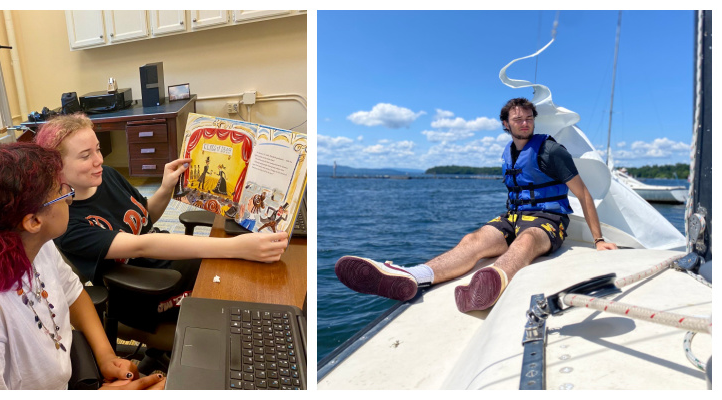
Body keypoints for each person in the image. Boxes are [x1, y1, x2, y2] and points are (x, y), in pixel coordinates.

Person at [35, 114, 288, 370]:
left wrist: (166, 187)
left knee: (248, 278)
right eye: (85, 155)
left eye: (98, 149)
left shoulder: (107, 176)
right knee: (239, 298)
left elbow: (144, 218)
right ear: (55, 167)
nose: (99, 160)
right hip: (142, 291)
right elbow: (142, 244)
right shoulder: (68, 223)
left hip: (165, 265)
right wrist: (238, 247)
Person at [335, 98, 617, 312]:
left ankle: (495, 279)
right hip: (515, 216)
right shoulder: (508, 153)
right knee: (474, 240)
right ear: (506, 124)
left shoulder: (550, 151)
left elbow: (583, 194)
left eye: (528, 118)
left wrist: (599, 239)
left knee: (527, 240)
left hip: (548, 219)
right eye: (517, 119)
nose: (524, 123)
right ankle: (415, 277)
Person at [0, 142, 164, 389]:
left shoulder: (29, 244)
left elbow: (73, 293)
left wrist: (106, 357)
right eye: (61, 190)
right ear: (33, 220)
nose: (69, 194)